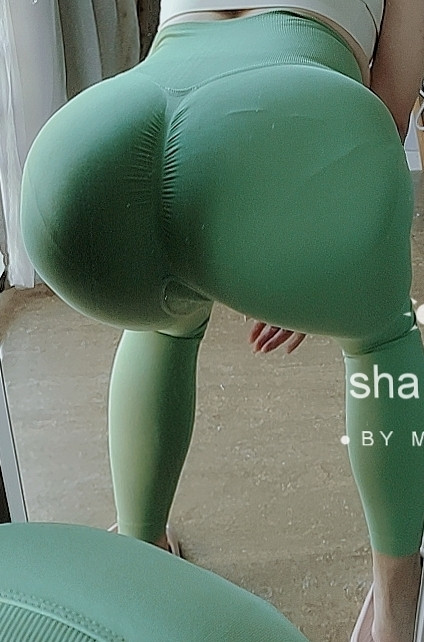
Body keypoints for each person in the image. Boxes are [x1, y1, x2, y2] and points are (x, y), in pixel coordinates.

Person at [19, 1, 424, 641]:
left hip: (92, 138)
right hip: (299, 113)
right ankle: (397, 608)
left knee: (162, 318)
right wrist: (313, 259)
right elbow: (386, 117)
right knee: (383, 339)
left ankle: (141, 549)